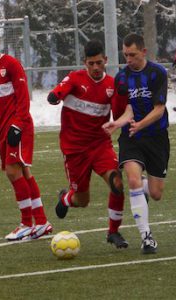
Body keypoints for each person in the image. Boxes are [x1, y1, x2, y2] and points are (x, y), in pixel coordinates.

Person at [0, 26, 52, 240]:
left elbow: (23, 97)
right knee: (23, 173)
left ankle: (26, 223)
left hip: (19, 127)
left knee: (12, 172)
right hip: (1, 130)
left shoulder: (12, 65)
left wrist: (18, 124)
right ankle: (41, 222)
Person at [47, 40, 128, 249]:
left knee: (117, 184)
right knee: (82, 200)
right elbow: (60, 90)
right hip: (74, 149)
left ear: (106, 61)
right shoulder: (75, 78)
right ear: (85, 62)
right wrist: (55, 97)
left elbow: (119, 112)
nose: (95, 68)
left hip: (100, 145)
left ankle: (113, 232)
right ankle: (66, 198)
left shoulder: (111, 85)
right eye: (91, 63)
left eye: (99, 63)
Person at [103, 33, 169, 254]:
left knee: (156, 193)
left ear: (144, 52)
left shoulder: (157, 73)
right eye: (125, 55)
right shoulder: (122, 77)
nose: (128, 59)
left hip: (157, 138)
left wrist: (141, 124)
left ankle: (140, 188)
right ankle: (146, 237)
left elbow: (159, 110)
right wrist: (116, 123)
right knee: (132, 180)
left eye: (132, 55)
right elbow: (128, 108)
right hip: (131, 137)